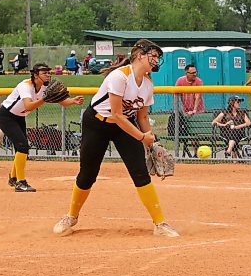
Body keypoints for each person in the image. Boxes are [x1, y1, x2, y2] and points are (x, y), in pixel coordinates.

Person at [53, 39, 179, 238]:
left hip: (124, 126)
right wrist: (141, 137)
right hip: (97, 124)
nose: (156, 60)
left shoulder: (147, 84)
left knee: (139, 172)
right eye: (152, 55)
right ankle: (71, 216)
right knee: (88, 174)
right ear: (139, 55)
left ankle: (160, 223)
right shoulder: (119, 77)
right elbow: (117, 114)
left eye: (157, 57)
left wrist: (153, 142)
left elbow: (142, 117)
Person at [0, 63, 84, 192]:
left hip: (19, 117)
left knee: (21, 148)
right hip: (6, 116)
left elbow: (62, 101)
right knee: (22, 146)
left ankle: (14, 177)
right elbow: (28, 106)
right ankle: (21, 183)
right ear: (35, 75)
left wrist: (73, 101)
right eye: (44, 73)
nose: (48, 75)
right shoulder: (25, 86)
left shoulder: (45, 87)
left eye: (49, 72)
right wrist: (45, 98)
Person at [175, 64, 205, 156]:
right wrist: (176, 109)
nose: (194, 74)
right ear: (186, 73)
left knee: (195, 134)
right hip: (186, 111)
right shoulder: (180, 80)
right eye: (192, 73)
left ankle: (196, 153)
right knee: (187, 132)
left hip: (198, 111)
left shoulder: (198, 81)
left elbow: (198, 97)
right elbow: (176, 95)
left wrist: (194, 110)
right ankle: (188, 153)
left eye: (195, 72)